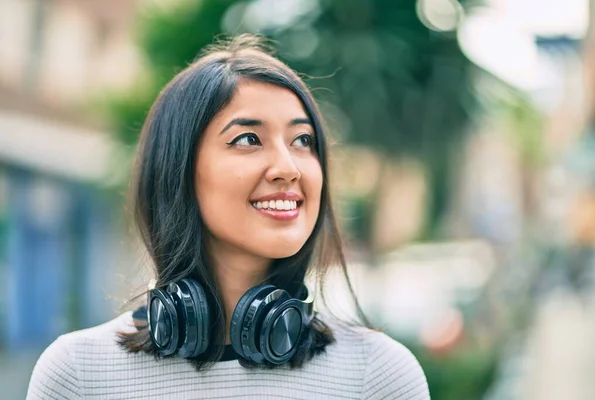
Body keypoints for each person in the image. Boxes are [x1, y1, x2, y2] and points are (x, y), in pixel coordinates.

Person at [26, 35, 430, 399]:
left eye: (302, 140)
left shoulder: (377, 376)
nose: (288, 167)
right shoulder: (79, 374)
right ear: (178, 172)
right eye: (248, 139)